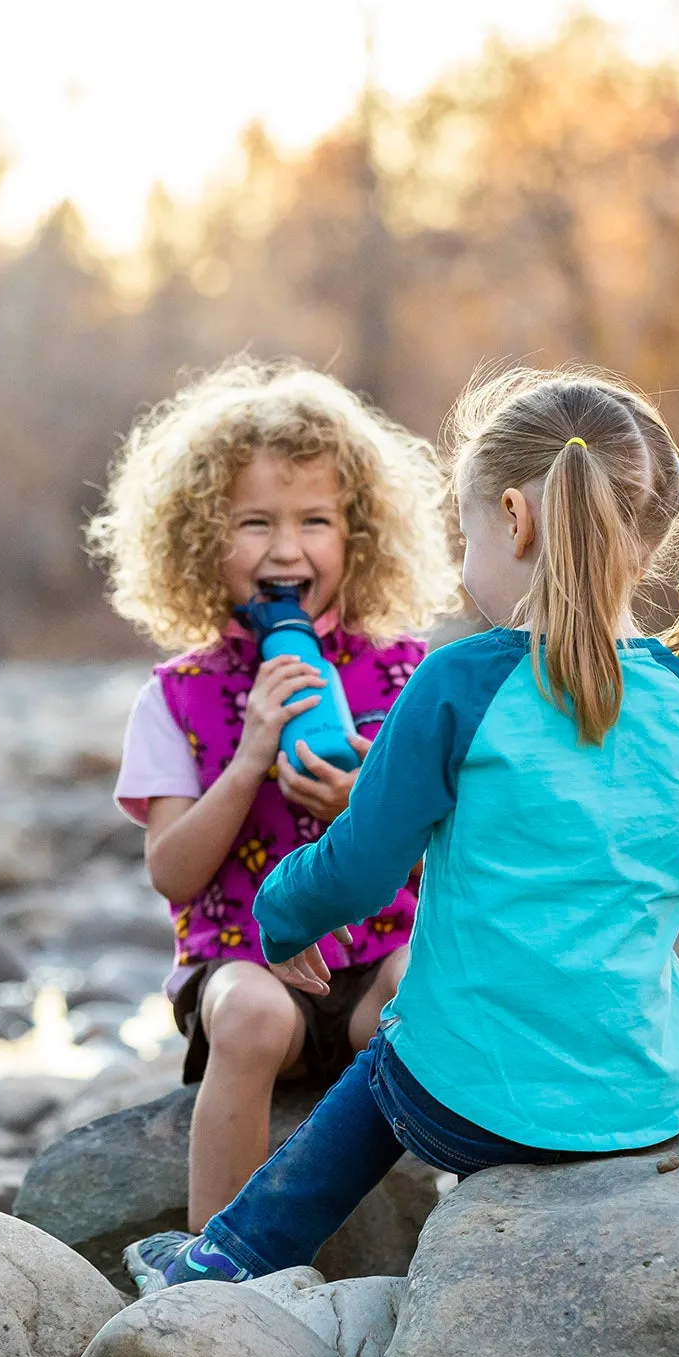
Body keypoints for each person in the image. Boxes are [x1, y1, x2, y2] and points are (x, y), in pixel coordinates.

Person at [125, 365, 679, 1292]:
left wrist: (282, 917)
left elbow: (361, 869)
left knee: (396, 1060)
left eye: (469, 528)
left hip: (463, 1107)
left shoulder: (455, 683)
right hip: (655, 1100)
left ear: (515, 519)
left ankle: (226, 1259)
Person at [87, 358, 460, 1253]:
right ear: (200, 542)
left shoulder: (407, 674)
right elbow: (171, 871)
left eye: (315, 522)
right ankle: (215, 1262)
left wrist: (364, 807)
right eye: (255, 523)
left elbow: (452, 852)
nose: (287, 550)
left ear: (360, 537)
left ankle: (469, 1220)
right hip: (243, 966)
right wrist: (250, 756)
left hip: (375, 958)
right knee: (252, 1017)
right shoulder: (176, 695)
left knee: (429, 995)